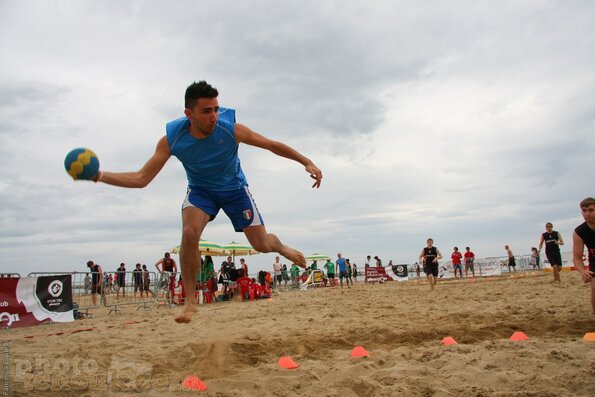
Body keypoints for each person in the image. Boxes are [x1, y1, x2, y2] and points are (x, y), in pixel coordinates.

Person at [80, 81, 322, 323]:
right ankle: (189, 302)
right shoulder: (172, 140)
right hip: (201, 191)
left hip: (235, 190)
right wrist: (99, 176)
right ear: (189, 114)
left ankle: (281, 247)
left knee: (261, 244)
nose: (214, 116)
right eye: (207, 111)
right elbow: (141, 178)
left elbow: (271, 145)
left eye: (216, 109)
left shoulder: (230, 129)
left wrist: (306, 161)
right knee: (189, 232)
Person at [572, 197, 595, 314]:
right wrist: (583, 272)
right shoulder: (579, 232)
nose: (587, 214)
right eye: (584, 211)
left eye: (591, 210)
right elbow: (577, 258)